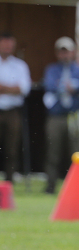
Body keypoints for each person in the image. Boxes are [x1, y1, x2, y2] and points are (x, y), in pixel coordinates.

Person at [42, 36, 79, 194]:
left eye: (67, 52)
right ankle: (50, 186)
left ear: (73, 52)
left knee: (77, 153)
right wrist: (67, 87)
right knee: (52, 152)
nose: (64, 55)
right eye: (61, 52)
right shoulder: (52, 69)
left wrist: (72, 87)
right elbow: (49, 85)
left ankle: (76, 188)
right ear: (57, 53)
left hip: (74, 115)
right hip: (56, 116)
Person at [0, 32, 31, 181]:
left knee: (11, 149)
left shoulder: (20, 65)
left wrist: (3, 88)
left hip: (12, 112)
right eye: (5, 43)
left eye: (10, 44)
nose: (7, 47)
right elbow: (16, 88)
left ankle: (9, 183)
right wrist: (12, 88)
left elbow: (24, 89)